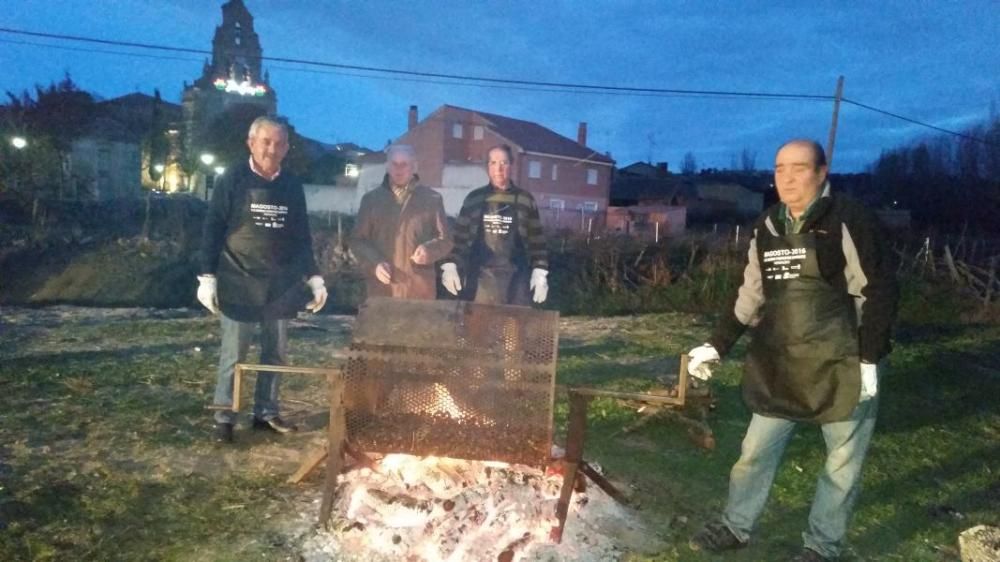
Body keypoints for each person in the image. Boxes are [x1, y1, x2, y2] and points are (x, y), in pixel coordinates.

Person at [686, 139, 898, 562]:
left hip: (844, 361)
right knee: (753, 453)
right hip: (782, 359)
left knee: (841, 463)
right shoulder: (767, 226)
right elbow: (751, 293)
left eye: (798, 168)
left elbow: (880, 290)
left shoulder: (850, 220)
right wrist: (717, 344)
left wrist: (870, 357)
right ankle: (735, 525)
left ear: (822, 173)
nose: (787, 178)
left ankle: (821, 546)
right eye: (780, 169)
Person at [196, 116, 328, 444]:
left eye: (280, 143)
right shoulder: (233, 179)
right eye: (266, 142)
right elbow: (213, 228)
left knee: (276, 354)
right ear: (251, 143)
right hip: (238, 279)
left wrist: (314, 277)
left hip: (280, 285)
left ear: (286, 147)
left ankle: (266, 413)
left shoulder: (291, 185)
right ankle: (225, 416)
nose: (273, 149)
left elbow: (301, 237)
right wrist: (206, 276)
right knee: (234, 355)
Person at [440, 144, 548, 305]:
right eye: (494, 163)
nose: (499, 169)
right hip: (480, 280)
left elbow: (536, 240)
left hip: (516, 280)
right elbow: (459, 237)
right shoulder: (474, 199)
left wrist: (540, 271)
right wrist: (450, 265)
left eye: (504, 163)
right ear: (487, 167)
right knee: (479, 326)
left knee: (512, 328)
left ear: (511, 165)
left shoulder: (526, 200)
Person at [351, 144, 453, 300]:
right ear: (387, 166)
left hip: (419, 291)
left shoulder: (432, 199)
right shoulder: (371, 200)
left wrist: (429, 251)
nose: (399, 169)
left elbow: (446, 240)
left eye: (404, 164)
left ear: (414, 167)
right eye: (394, 163)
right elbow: (358, 241)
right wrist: (375, 263)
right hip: (382, 291)